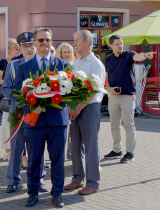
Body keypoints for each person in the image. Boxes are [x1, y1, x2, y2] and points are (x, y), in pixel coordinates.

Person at [13, 27, 69, 208]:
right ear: (35, 43)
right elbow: (16, 94)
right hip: (35, 122)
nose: (44, 43)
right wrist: (33, 107)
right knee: (35, 160)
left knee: (58, 160)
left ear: (52, 42)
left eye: (47, 40)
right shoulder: (24, 68)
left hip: (57, 122)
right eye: (40, 40)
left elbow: (70, 93)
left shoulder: (62, 65)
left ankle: (57, 193)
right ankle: (32, 193)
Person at [2, 32, 48, 194]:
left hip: (38, 113)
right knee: (16, 149)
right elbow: (6, 89)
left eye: (31, 45)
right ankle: (13, 180)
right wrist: (24, 97)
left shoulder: (43, 65)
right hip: (19, 112)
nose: (29, 49)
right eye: (24, 46)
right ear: (19, 49)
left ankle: (40, 179)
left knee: (38, 148)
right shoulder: (13, 66)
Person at [64, 30, 105, 195]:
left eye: (76, 41)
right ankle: (77, 179)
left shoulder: (96, 64)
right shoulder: (76, 64)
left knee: (90, 146)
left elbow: (94, 91)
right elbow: (68, 87)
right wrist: (70, 108)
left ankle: (93, 183)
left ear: (87, 42)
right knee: (75, 146)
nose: (74, 44)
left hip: (89, 108)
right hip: (75, 109)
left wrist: (77, 108)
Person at [103, 35, 156, 163]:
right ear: (111, 46)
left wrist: (146, 55)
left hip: (127, 96)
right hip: (113, 97)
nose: (120, 46)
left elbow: (138, 56)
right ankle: (116, 150)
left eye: (121, 43)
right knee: (114, 125)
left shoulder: (128, 55)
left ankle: (130, 153)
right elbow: (105, 78)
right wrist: (109, 89)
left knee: (128, 125)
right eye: (116, 44)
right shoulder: (108, 59)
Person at [0, 39, 20, 161]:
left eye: (18, 48)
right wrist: (10, 83)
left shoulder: (21, 62)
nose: (18, 51)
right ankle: (7, 150)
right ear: (10, 50)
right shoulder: (4, 62)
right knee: (7, 124)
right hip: (8, 95)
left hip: (18, 97)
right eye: (16, 49)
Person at [56, 42, 75, 160]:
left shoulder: (75, 64)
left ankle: (72, 152)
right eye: (65, 52)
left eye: (69, 52)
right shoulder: (59, 65)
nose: (67, 54)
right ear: (60, 53)